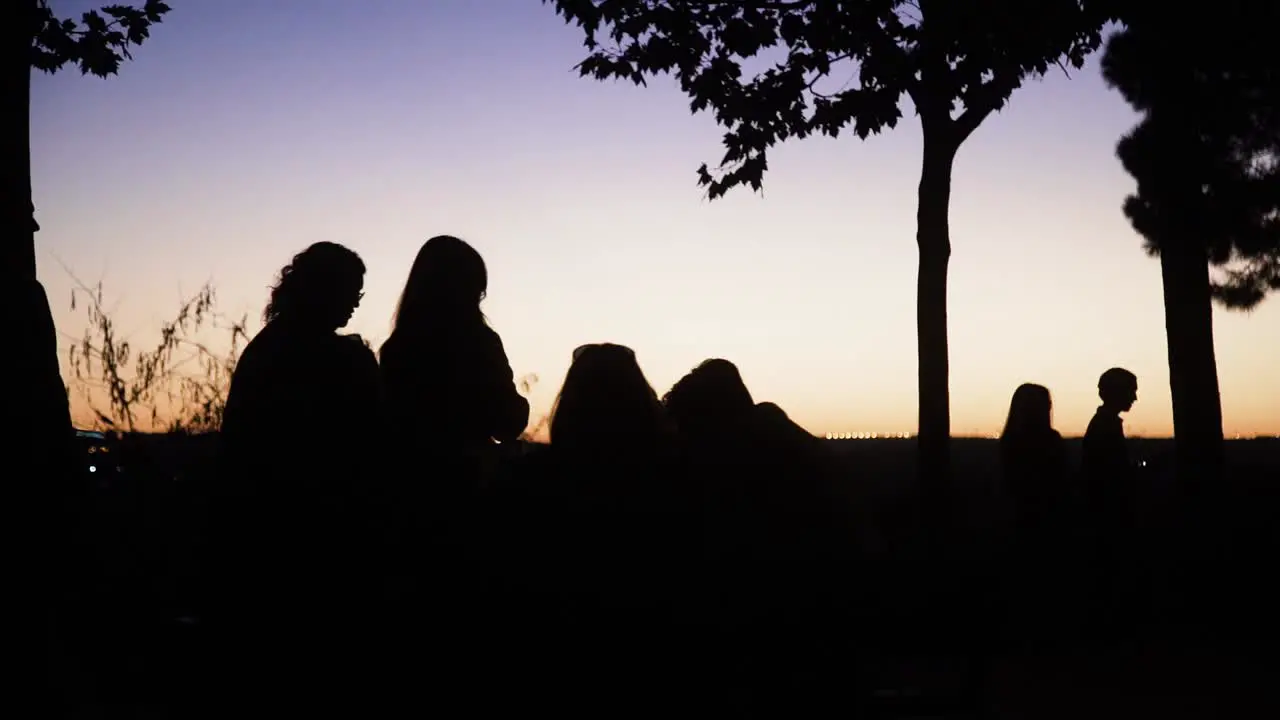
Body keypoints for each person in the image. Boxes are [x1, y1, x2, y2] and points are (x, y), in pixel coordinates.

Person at [213, 242, 383, 710]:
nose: (355, 301)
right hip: (309, 534)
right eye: (351, 290)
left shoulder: (270, 348)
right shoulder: (328, 359)